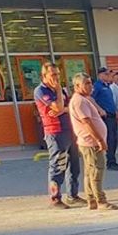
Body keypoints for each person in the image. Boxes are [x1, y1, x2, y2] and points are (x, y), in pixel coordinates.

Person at [33, 61, 83, 209]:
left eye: (58, 74)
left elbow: (69, 107)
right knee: (58, 165)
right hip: (55, 132)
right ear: (44, 75)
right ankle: (55, 198)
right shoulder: (41, 91)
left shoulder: (60, 90)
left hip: (69, 129)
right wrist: (60, 95)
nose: (56, 78)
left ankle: (73, 195)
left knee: (73, 165)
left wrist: (62, 107)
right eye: (53, 74)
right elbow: (59, 107)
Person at [68, 73, 118, 210]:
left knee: (90, 171)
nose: (90, 86)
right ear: (77, 86)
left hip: (90, 141)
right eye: (87, 83)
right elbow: (87, 123)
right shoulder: (79, 101)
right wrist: (99, 140)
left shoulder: (84, 99)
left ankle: (92, 199)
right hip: (91, 142)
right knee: (97, 170)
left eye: (90, 83)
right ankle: (100, 200)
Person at [92, 67, 118, 170]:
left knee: (114, 139)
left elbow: (111, 102)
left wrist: (117, 113)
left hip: (112, 115)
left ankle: (112, 160)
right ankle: (110, 162)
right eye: (106, 74)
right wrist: (99, 110)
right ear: (100, 75)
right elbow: (91, 99)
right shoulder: (97, 86)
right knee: (110, 139)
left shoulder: (107, 86)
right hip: (105, 116)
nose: (108, 76)